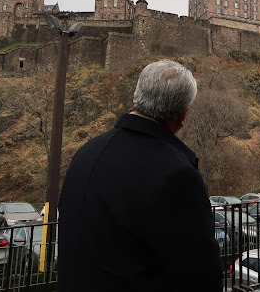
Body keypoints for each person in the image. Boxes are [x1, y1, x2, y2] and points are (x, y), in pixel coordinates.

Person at [58, 60, 222, 291]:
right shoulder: (177, 175)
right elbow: (200, 276)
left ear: (137, 97)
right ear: (184, 116)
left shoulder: (86, 153)